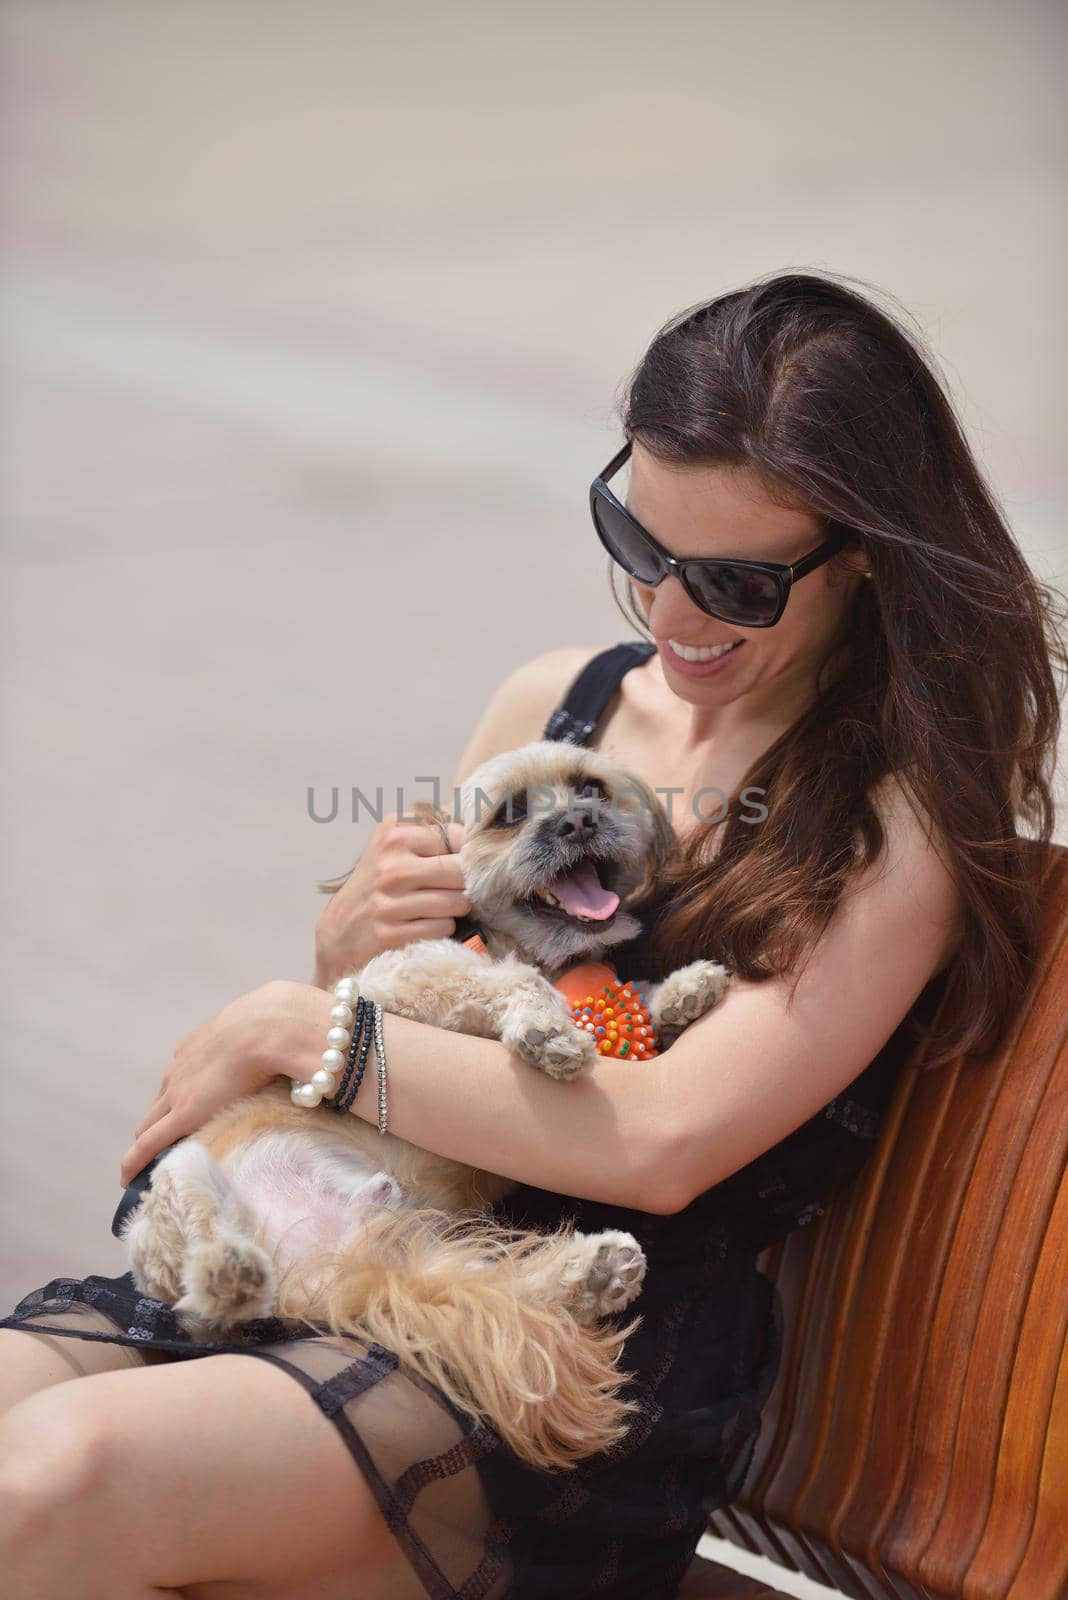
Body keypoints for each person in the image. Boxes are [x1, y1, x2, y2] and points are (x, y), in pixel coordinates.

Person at [0, 270, 1063, 1600]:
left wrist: (305, 1027)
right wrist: (347, 947)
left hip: (567, 1360)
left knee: (49, 1485)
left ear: (864, 559)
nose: (671, 615)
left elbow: (668, 1139)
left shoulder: (891, 831)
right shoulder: (556, 701)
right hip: (346, 1255)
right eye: (638, 541)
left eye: (733, 582)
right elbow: (419, 1009)